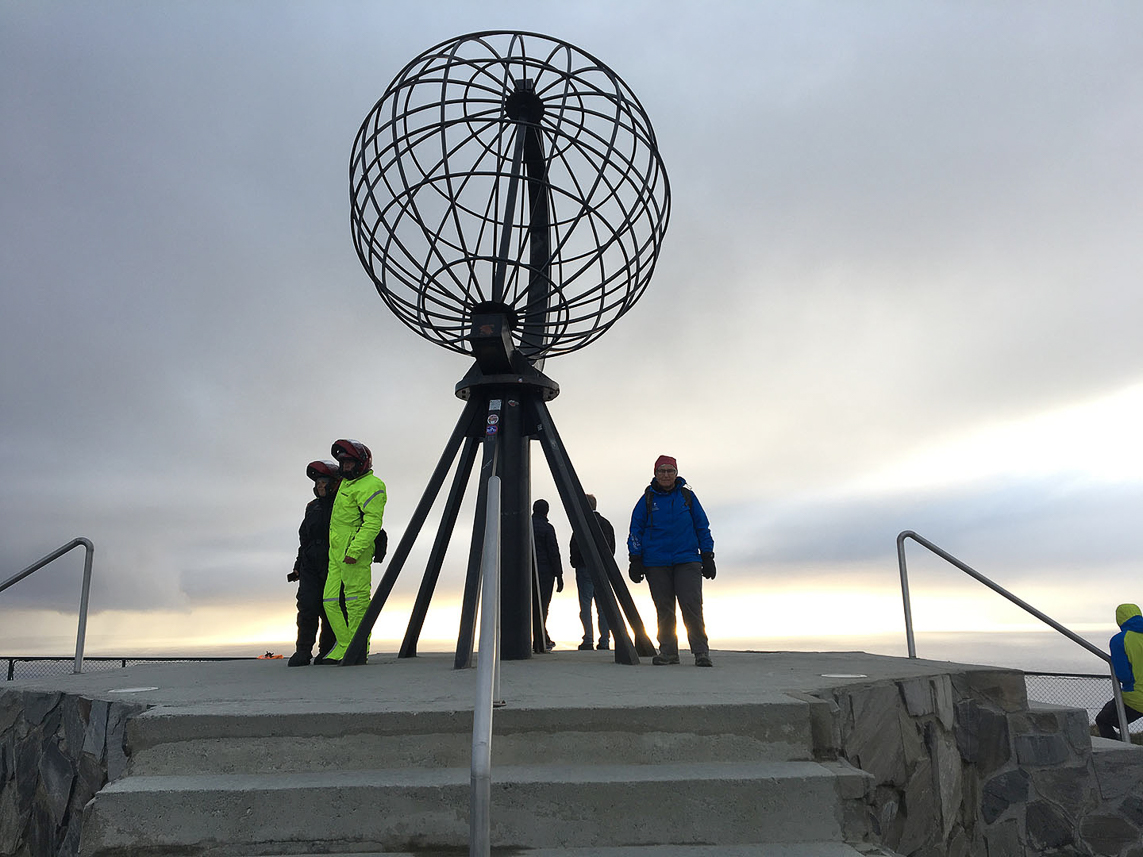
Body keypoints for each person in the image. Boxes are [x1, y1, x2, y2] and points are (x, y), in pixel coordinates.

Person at [627, 455, 716, 667]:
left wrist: (708, 555)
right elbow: (635, 531)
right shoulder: (647, 499)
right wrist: (635, 558)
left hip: (687, 559)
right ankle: (668, 652)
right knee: (664, 608)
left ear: (676, 473)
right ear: (655, 474)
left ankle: (701, 652)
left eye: (670, 471)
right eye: (661, 471)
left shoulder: (687, 497)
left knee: (692, 605)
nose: (666, 475)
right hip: (656, 562)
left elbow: (702, 527)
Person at [322, 438, 386, 665]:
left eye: (349, 463)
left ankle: (358, 650)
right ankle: (344, 644)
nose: (345, 466)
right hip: (336, 553)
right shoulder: (345, 485)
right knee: (329, 600)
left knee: (356, 603)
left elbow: (372, 523)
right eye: (343, 463)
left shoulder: (372, 485)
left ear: (361, 463)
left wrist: (355, 550)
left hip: (354, 553)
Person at [286, 460, 343, 666]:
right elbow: (304, 540)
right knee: (307, 605)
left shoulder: (344, 504)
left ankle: (327, 651)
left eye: (324, 482)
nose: (320, 486)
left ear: (334, 483)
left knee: (330, 607)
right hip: (310, 562)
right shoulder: (312, 507)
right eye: (318, 482)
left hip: (334, 561)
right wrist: (298, 565)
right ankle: (302, 650)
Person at [569, 493, 615, 651]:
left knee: (586, 604)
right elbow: (611, 547)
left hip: (584, 567)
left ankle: (588, 639)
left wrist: (575, 563)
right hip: (602, 568)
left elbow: (575, 545)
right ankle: (605, 641)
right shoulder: (606, 523)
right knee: (603, 607)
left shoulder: (581, 523)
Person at [1095, 603, 1143, 740]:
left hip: (1136, 697)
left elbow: (1123, 675)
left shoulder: (1119, 640)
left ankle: (1120, 749)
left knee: (1103, 719)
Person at [531, 499, 563, 651]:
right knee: (543, 607)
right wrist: (559, 575)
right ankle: (541, 640)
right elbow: (553, 552)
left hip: (526, 571)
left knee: (529, 606)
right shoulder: (547, 528)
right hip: (545, 573)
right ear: (546, 511)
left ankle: (541, 638)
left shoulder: (525, 526)